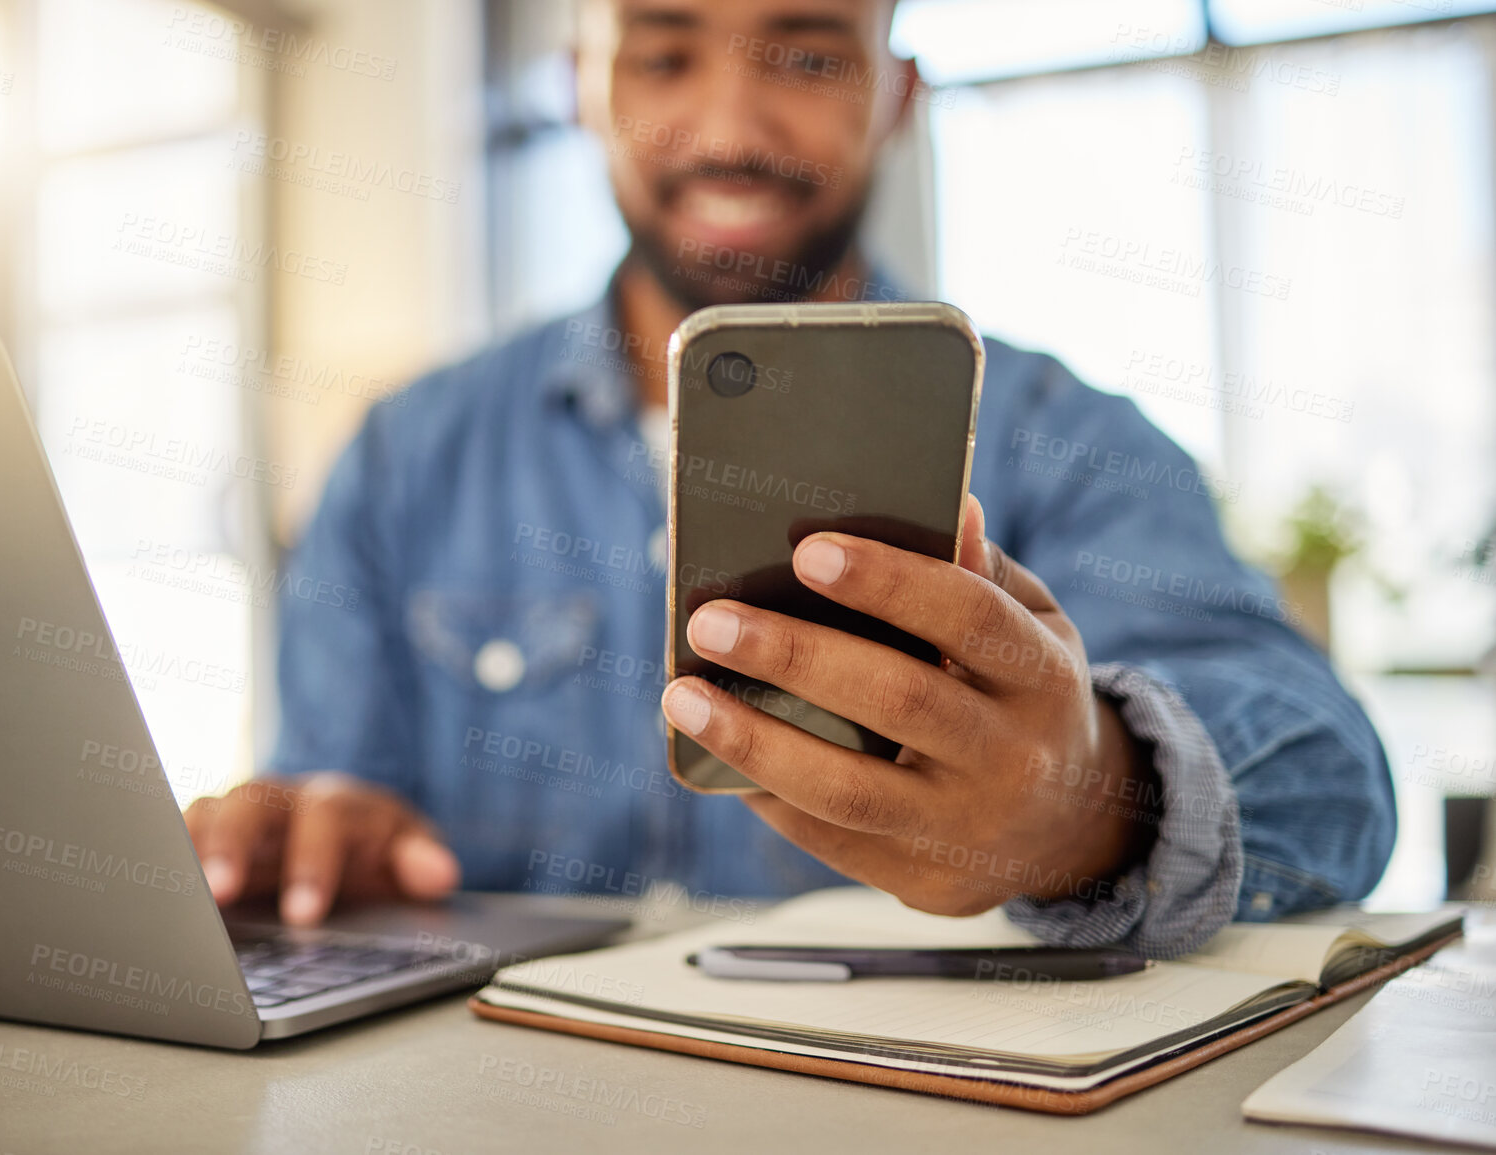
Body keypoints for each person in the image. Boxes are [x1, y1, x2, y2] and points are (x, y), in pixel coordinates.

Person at [183, 0, 1395, 957]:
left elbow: (1334, 780)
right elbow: (335, 791)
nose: (729, 129)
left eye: (809, 60)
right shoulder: (407, 454)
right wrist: (315, 844)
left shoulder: (1063, 437)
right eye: (663, 57)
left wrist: (1089, 809)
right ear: (582, 86)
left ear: (897, 94)